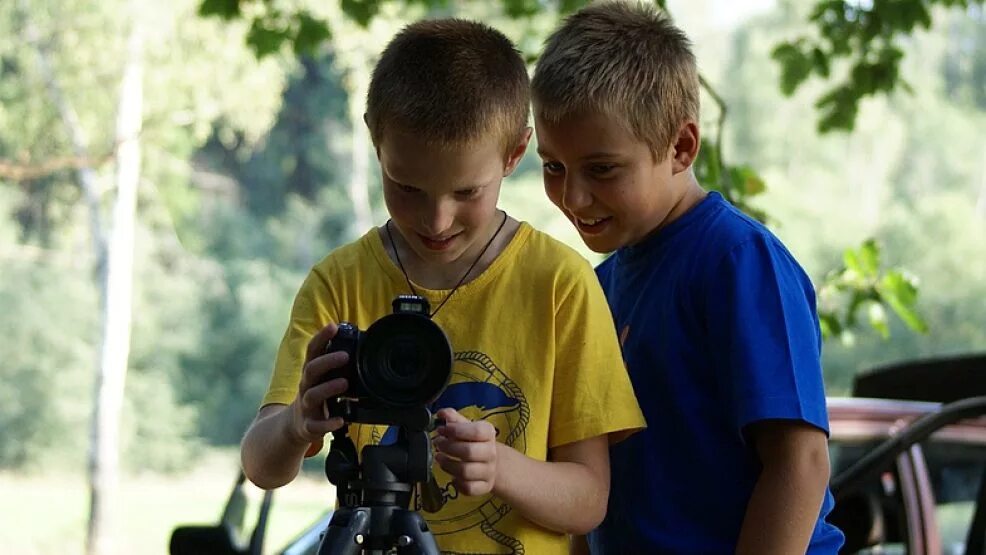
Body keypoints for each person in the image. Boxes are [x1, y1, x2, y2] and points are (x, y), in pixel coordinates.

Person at [239, 17, 645, 554]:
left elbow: (589, 499)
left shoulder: (558, 286)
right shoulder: (338, 284)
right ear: (375, 139)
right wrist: (296, 424)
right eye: (406, 187)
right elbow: (261, 467)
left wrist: (502, 467)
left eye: (465, 191)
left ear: (513, 153)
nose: (435, 219)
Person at [530, 2, 845, 553]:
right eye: (553, 166)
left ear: (681, 147)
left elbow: (801, 461)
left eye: (602, 169)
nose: (573, 198)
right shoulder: (597, 289)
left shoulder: (740, 261)